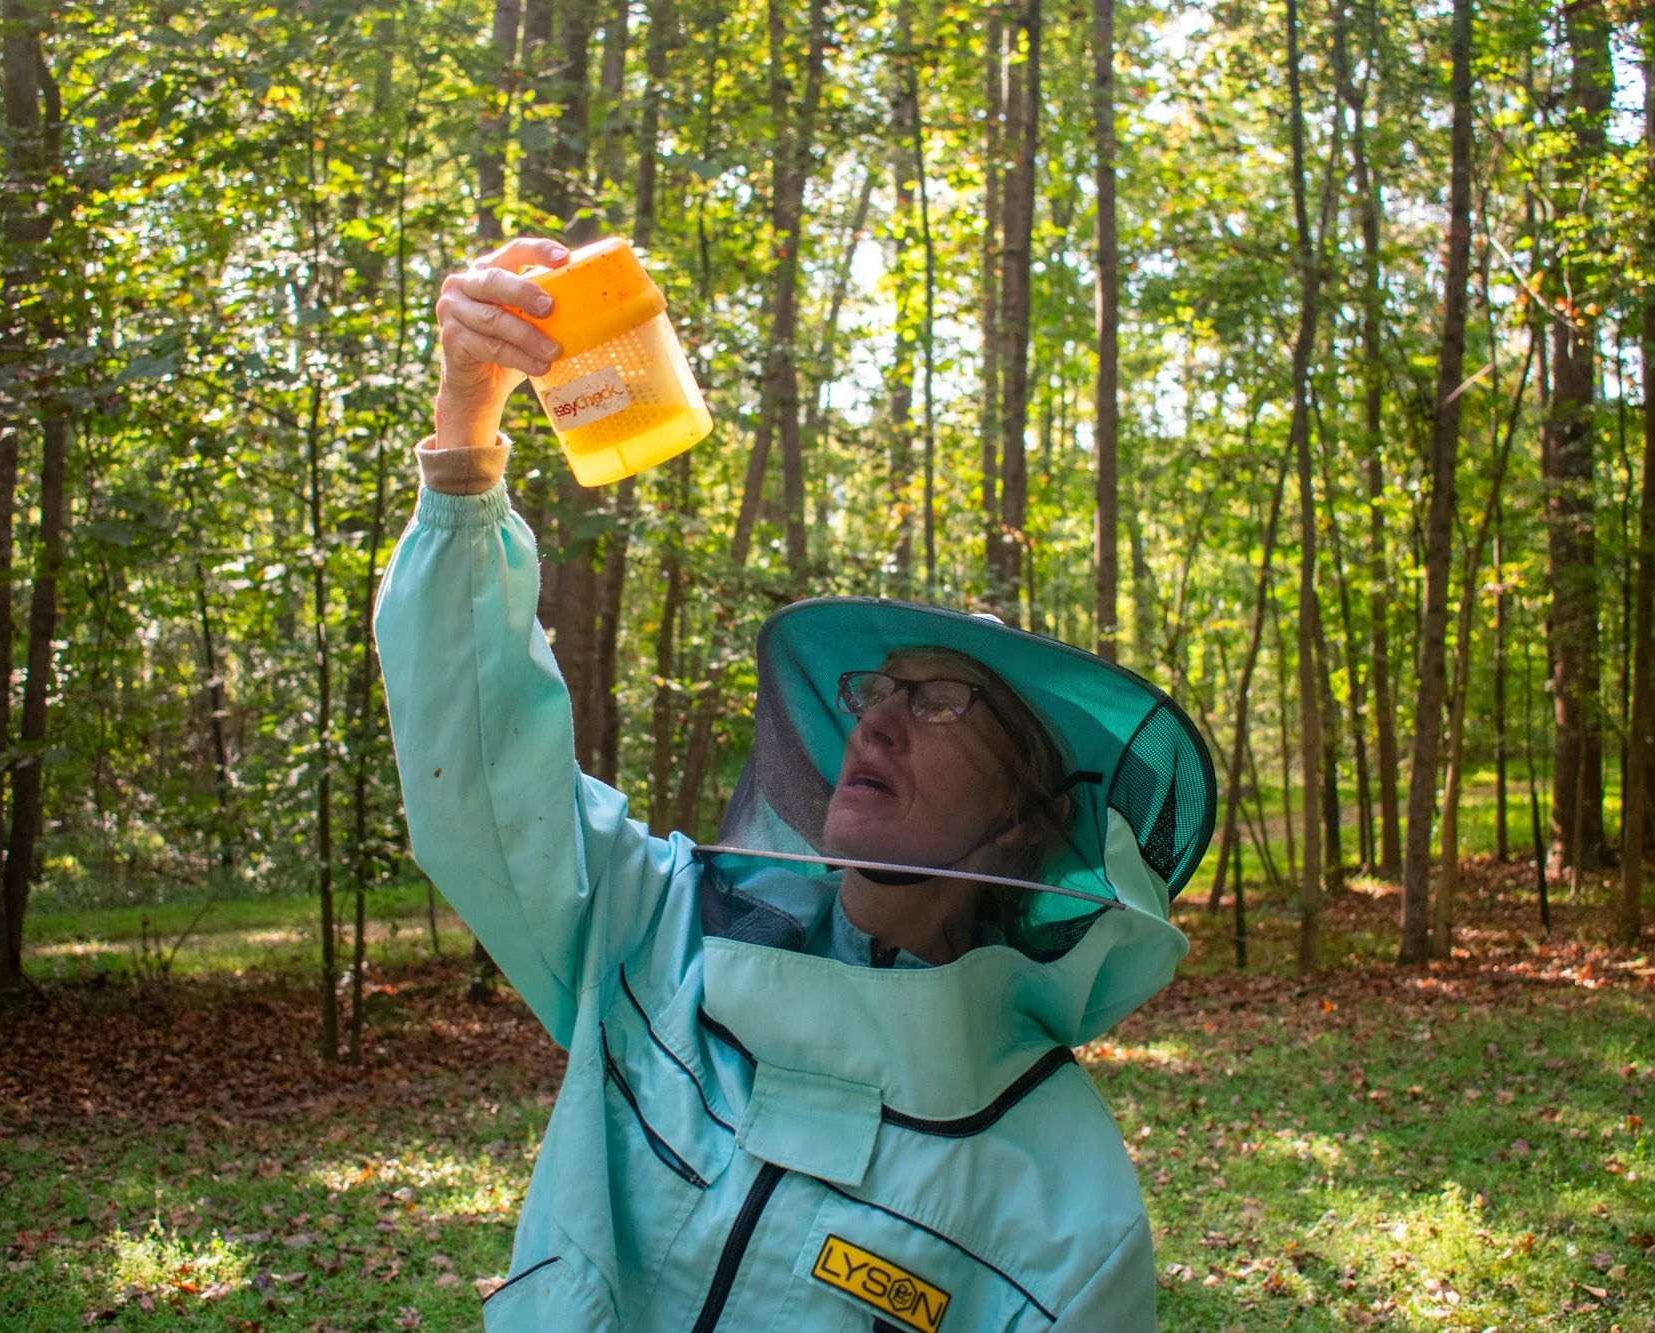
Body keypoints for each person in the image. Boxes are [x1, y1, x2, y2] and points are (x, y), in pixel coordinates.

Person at [376, 236, 1218, 1331]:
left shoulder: (1066, 1212)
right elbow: (481, 783)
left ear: (1032, 822)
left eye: (941, 701)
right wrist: (465, 429)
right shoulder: (658, 931)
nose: (877, 719)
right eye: (876, 691)